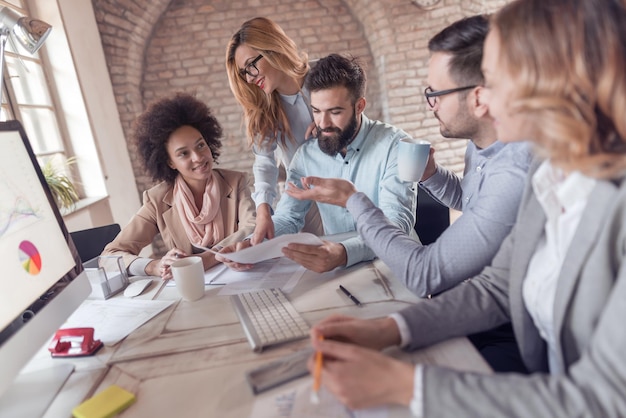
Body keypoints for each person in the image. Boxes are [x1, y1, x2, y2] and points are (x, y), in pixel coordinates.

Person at [307, 0, 626, 415]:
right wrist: (391, 329)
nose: (483, 99)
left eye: (492, 80)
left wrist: (408, 385)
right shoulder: (551, 171)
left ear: (553, 83)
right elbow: (496, 286)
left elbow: (604, 401)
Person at [286, 15, 531, 298]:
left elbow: (426, 273)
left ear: (477, 98)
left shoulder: (514, 171)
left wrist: (352, 200)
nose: (431, 106)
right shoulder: (479, 144)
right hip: (481, 292)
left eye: (436, 93)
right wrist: (433, 175)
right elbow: (472, 201)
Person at [219, 54, 416, 273]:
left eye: (335, 112)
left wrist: (344, 252)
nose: (323, 123)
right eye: (316, 111)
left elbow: (396, 226)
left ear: (359, 106)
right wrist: (253, 246)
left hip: (396, 266)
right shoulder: (306, 156)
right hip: (341, 272)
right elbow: (289, 217)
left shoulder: (396, 146)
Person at [103, 93, 256, 280]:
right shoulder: (157, 201)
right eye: (183, 153)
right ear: (170, 162)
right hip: (194, 288)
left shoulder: (236, 181)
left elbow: (252, 229)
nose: (198, 157)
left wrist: (207, 259)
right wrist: (154, 266)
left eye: (200, 145)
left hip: (242, 279)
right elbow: (110, 256)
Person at [226, 17, 322, 245]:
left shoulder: (324, 72)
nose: (250, 77)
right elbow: (264, 163)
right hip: (306, 198)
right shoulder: (263, 110)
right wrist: (263, 212)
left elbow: (356, 105)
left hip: (349, 183)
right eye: (244, 73)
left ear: (273, 48)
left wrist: (332, 121)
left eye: (251, 65)